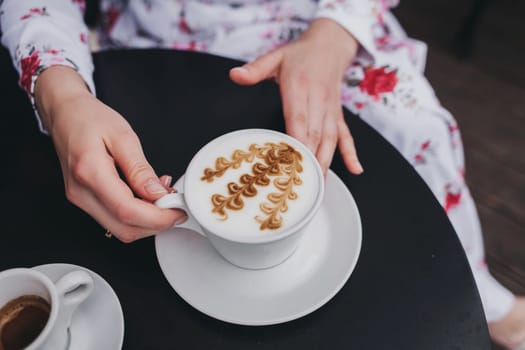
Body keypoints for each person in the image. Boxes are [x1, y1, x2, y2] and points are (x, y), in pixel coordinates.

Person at [0, 0, 523, 347]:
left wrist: (335, 35)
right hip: (156, 33)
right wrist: (61, 93)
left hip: (317, 19)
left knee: (414, 124)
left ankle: (478, 286)